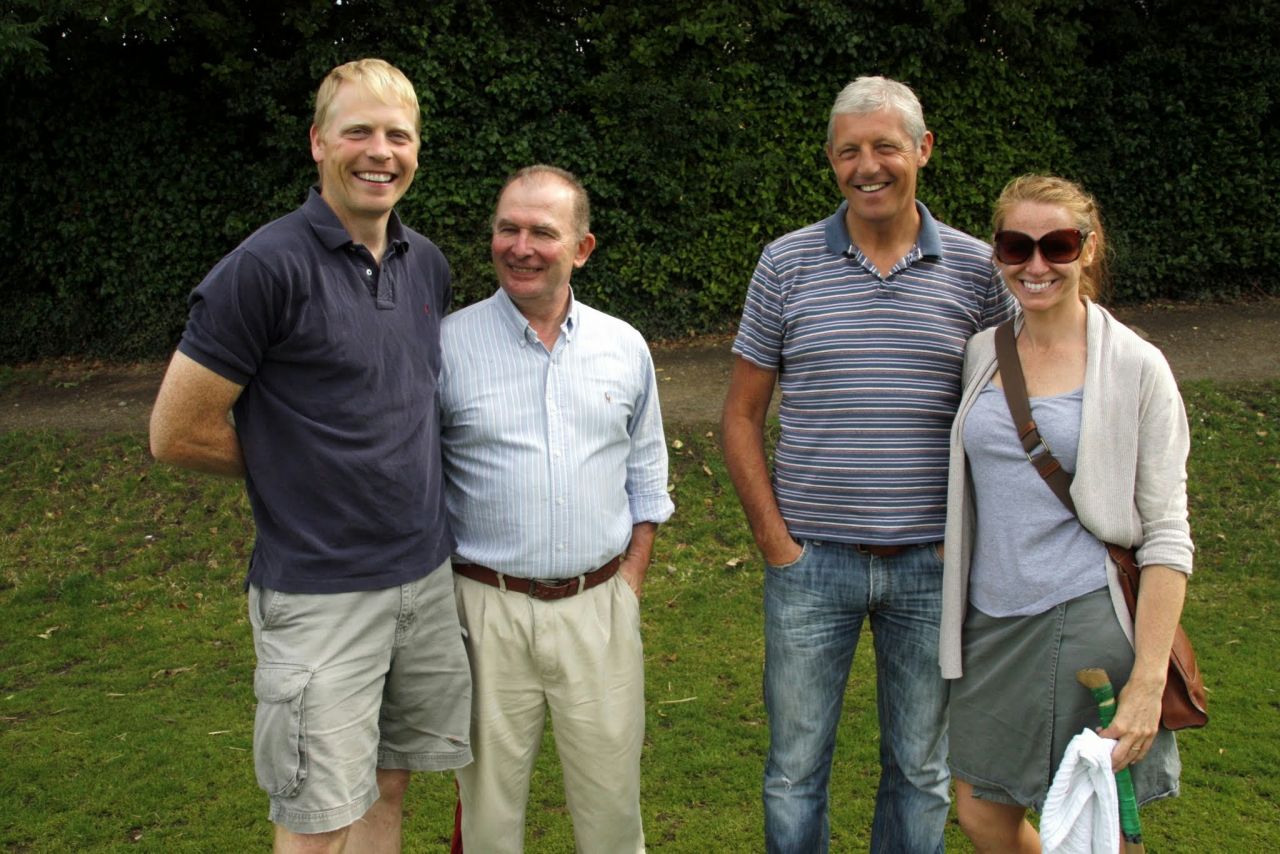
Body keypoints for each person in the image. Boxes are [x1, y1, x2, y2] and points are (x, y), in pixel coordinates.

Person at [148, 58, 471, 852]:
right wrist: (300, 473)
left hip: (424, 582)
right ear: (318, 142)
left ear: (418, 152)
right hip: (323, 597)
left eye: (398, 135)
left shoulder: (426, 262)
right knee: (317, 816)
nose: (379, 151)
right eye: (358, 130)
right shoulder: (264, 268)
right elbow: (176, 433)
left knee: (388, 784)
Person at [722, 76, 1017, 853]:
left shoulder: (979, 270)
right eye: (849, 150)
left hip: (931, 565)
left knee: (920, 770)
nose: (868, 166)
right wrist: (774, 541)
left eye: (885, 146)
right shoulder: (785, 264)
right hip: (811, 564)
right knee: (793, 771)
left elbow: (1010, 415)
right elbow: (741, 415)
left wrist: (964, 543)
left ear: (921, 150)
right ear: (829, 159)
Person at [940, 174, 1190, 851]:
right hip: (989, 623)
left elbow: (1167, 536)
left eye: (1057, 245)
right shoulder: (984, 354)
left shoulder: (1138, 367)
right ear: (997, 254)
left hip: (1088, 622)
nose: (1037, 265)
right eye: (1017, 246)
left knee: (1099, 822)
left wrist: (1146, 682)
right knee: (981, 813)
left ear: (1088, 248)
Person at [440, 164, 674, 853]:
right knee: (487, 819)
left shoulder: (623, 346)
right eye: (507, 228)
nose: (521, 246)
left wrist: (629, 581)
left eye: (543, 231)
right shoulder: (447, 345)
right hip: (484, 611)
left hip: (598, 609)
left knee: (611, 816)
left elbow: (646, 472)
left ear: (582, 247)